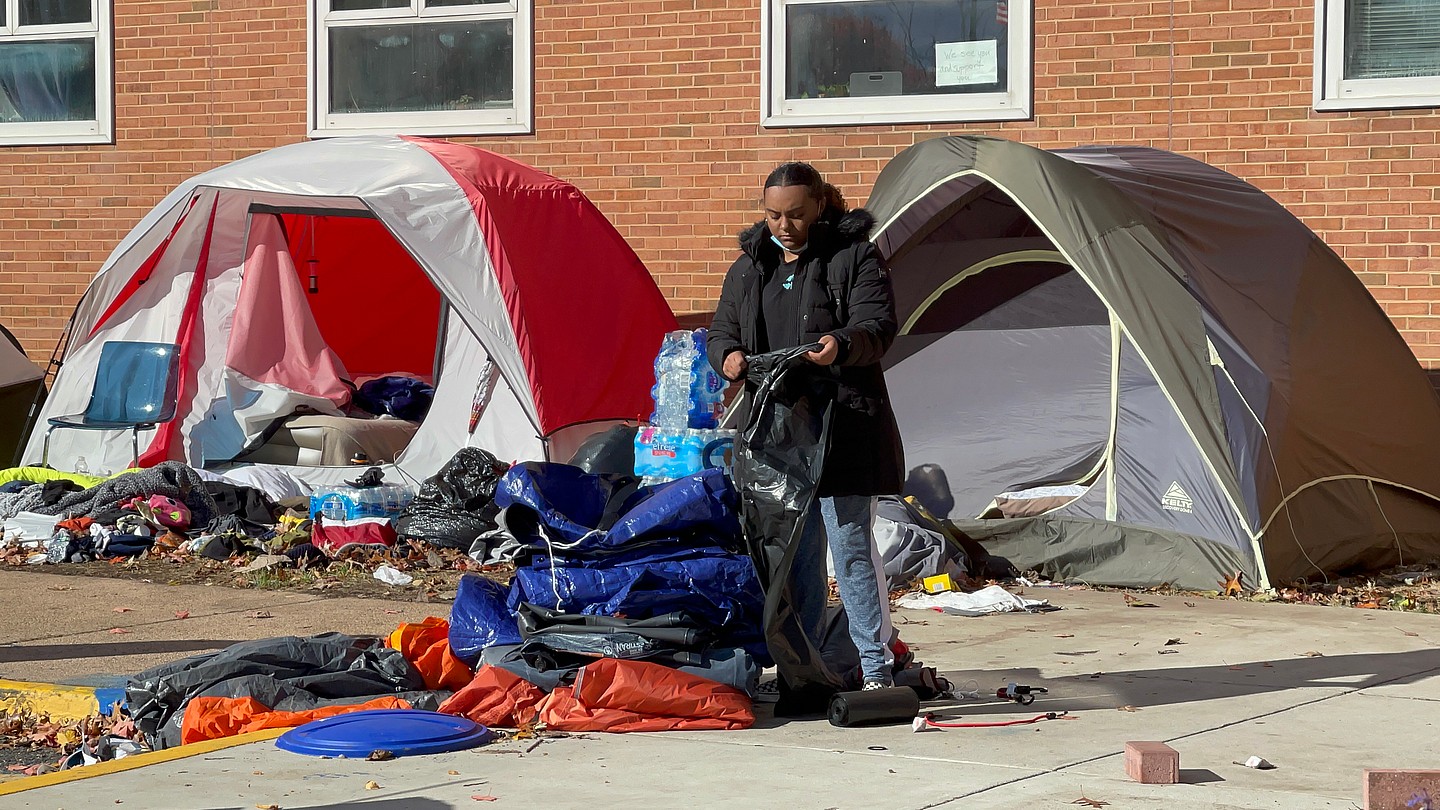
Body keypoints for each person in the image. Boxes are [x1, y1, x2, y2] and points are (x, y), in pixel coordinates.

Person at [708, 161, 906, 694]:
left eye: (795, 215)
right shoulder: (749, 267)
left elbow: (878, 326)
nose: (784, 226)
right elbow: (722, 330)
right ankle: (807, 670)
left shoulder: (854, 256)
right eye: (773, 215)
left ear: (820, 204)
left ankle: (875, 669)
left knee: (850, 547)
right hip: (777, 433)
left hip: (844, 426)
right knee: (793, 554)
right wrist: (726, 356)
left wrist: (841, 344)